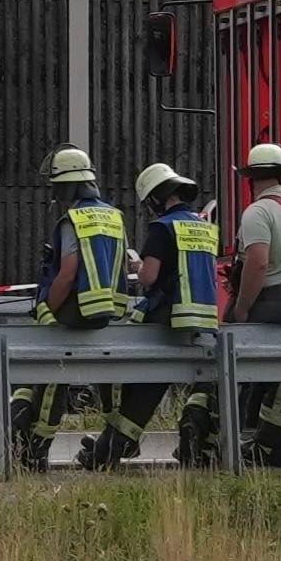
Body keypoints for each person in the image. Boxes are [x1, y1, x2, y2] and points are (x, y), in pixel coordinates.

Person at [7, 146, 135, 472]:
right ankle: (109, 448)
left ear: (67, 186)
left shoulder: (73, 220)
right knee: (100, 381)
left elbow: (67, 272)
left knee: (49, 375)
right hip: (108, 314)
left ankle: (35, 449)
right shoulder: (114, 216)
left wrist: (45, 307)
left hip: (74, 311)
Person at [108, 160, 223, 467]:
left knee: (144, 380)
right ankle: (198, 445)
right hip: (205, 319)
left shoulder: (161, 229)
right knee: (204, 384)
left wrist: (136, 268)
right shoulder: (204, 226)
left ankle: (118, 444)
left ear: (157, 198)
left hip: (170, 317)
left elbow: (149, 278)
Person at [230, 141, 281, 465]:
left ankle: (222, 439)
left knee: (226, 364)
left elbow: (258, 264)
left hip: (268, 301)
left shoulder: (257, 212)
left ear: (252, 178)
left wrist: (241, 308)